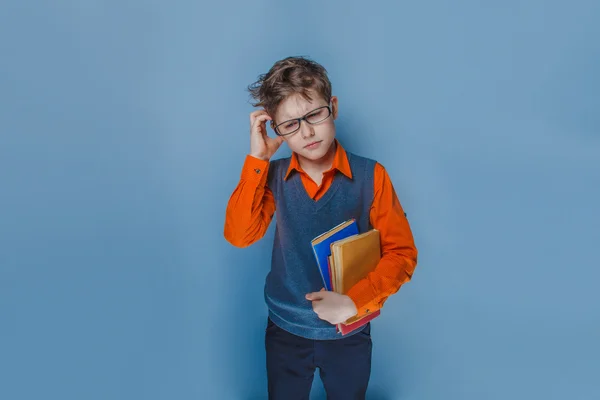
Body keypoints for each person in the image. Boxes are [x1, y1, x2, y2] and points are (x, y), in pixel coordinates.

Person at [224, 56, 418, 399]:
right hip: (285, 329)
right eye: (290, 124)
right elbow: (240, 236)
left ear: (333, 107)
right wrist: (257, 160)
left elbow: (401, 254)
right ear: (275, 129)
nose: (307, 132)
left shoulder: (372, 176)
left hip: (349, 332)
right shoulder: (271, 179)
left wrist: (353, 302)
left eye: (314, 114)